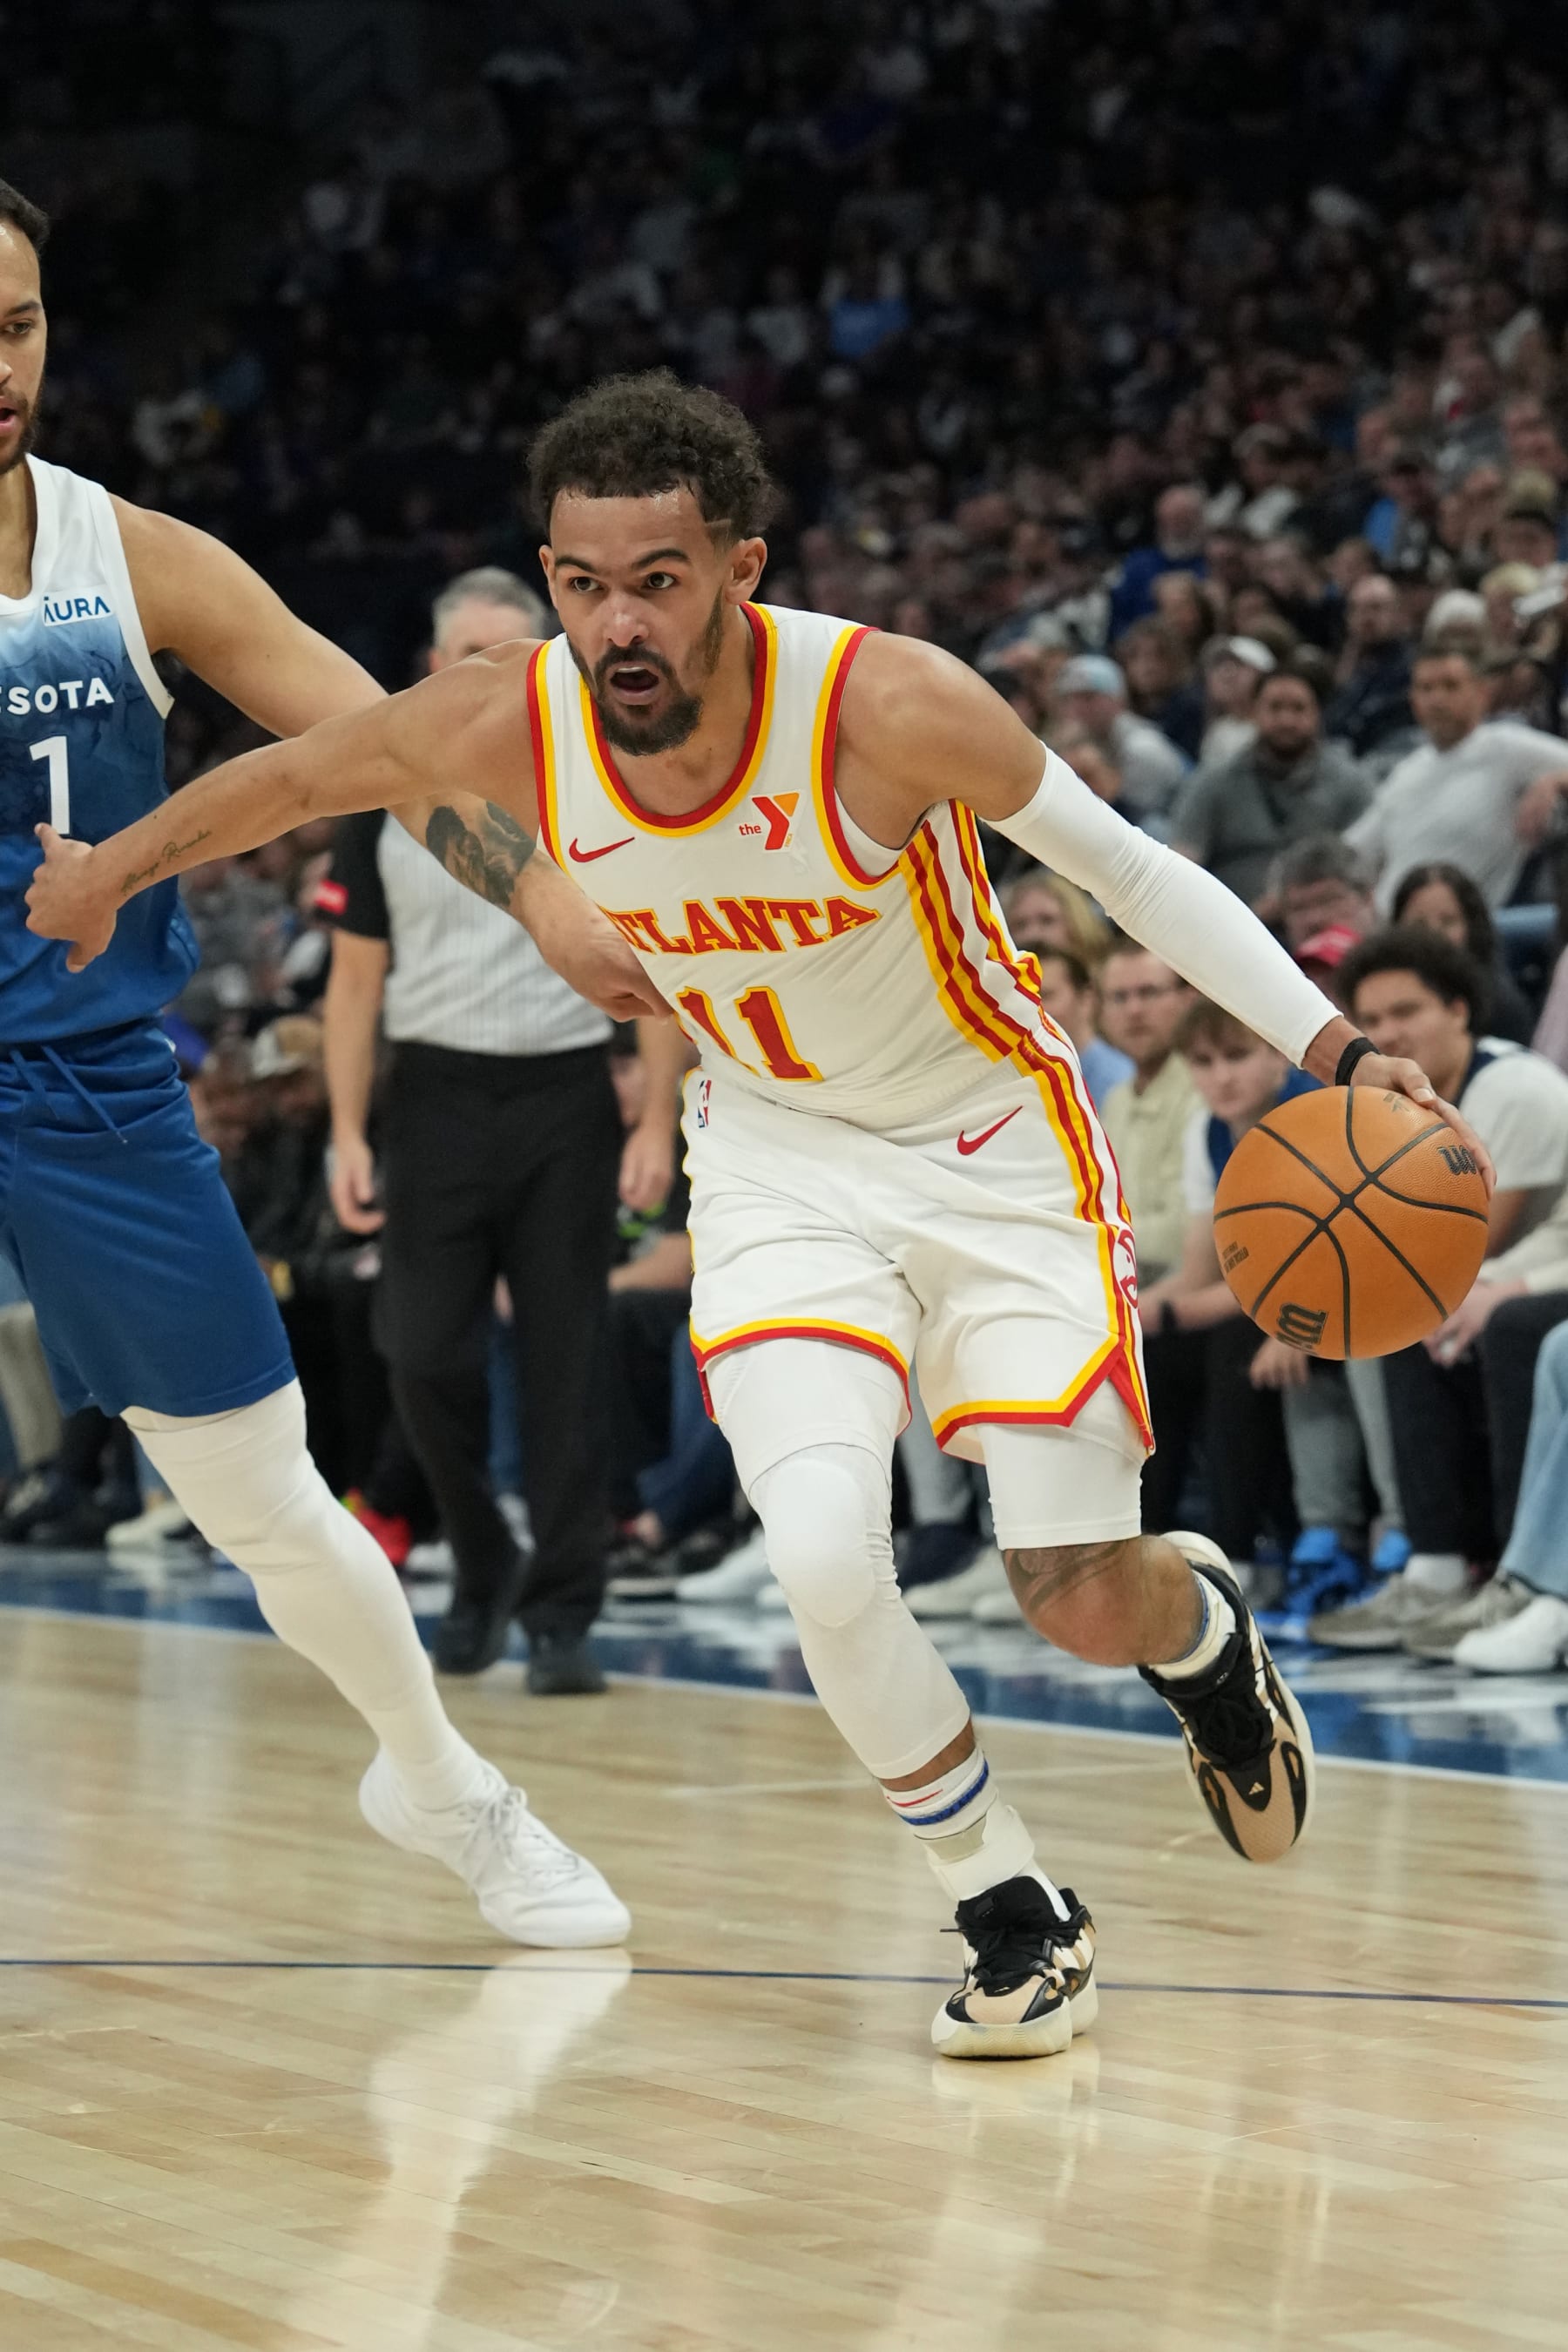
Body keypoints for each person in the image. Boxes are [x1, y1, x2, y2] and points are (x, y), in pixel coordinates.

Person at [33, 370, 1488, 2061]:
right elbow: (300, 781)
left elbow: (1136, 878)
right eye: (583, 582)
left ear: (742, 565)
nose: (618, 620)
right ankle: (1011, 1905)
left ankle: (1203, 1631)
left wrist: (1338, 1050)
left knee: (1074, 1590)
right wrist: (111, 871)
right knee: (819, 1559)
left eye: (657, 578)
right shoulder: (515, 716)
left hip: (995, 1152)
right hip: (783, 1160)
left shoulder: (890, 705)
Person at [0, 176, 638, 1950]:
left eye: (21, 325)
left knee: (261, 1493)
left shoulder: (134, 557)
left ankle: (444, 1785)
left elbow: (390, 754)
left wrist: (546, 905)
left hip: (88, 1087)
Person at [321, 566, 671, 1694]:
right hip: (433, 1097)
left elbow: (663, 963)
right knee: (420, 1352)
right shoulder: (382, 795)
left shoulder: (608, 788)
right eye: (463, 651)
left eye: (506, 651)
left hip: (567, 1095)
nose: (482, 672)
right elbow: (355, 984)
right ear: (429, 665)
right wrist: (346, 1129)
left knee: (568, 1361)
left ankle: (564, 1610)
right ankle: (480, 1556)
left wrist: (654, 1111)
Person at [1310, 927, 1568, 1652]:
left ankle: (1523, 1575)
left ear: (1460, 1009)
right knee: (1404, 1310)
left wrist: (1494, 1285)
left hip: (1530, 1277)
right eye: (1374, 1020)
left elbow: (1472, 1242)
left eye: (1407, 1011)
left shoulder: (1513, 1089)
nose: (1390, 1033)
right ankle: (1436, 1565)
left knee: (1495, 1321)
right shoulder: (1383, 1105)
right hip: (1517, 1274)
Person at [1135, 1000, 1316, 1562]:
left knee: (1234, 1345)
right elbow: (1199, 1269)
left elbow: (1327, 1266)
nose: (1221, 1076)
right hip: (1266, 1304)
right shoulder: (1207, 1131)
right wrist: (1124, 1319)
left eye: (1237, 1056)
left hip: (1331, 1303)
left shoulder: (1316, 1121)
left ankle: (1236, 1556)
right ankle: (1142, 1550)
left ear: (1278, 1057)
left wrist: (1170, 1312)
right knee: (1147, 1352)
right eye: (1204, 1062)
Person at [1346, 646, 1568, 910]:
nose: (1437, 699)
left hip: (1463, 927)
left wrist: (1553, 781)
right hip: (1387, 923)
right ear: (1414, 701)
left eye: (1450, 686)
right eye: (1426, 689)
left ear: (1480, 693)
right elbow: (1354, 853)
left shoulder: (1505, 747)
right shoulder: (1406, 771)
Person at [1170, 663, 1369, 907]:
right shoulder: (1214, 781)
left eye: (1298, 709)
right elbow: (1183, 863)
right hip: (1231, 923)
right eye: (1275, 708)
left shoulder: (1349, 782)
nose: (1286, 720)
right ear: (1254, 712)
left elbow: (1364, 866)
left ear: (1318, 714)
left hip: (1322, 916)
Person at [1096, 942, 1196, 1287]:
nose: (1134, 1010)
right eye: (1119, 998)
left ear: (1188, 999)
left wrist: (1091, 1236)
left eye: (1149, 993)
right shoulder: (1115, 1100)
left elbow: (1183, 1233)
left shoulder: (1208, 1089)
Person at [1390, 861, 1535, 1044]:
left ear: (1472, 927)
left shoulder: (1504, 1008)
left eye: (1448, 922)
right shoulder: (1374, 995)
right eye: (1419, 924)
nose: (1433, 934)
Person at [1052, 652, 1189, 821]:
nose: (1076, 707)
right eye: (1069, 699)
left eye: (1088, 698)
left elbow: (1131, 820)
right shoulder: (1083, 740)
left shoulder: (1141, 747)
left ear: (1118, 699)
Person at [1322, 572, 1416, 762]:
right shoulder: (1346, 669)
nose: (1366, 618)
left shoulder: (1412, 668)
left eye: (1376, 608)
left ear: (1398, 613)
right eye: (1357, 609)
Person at [1030, 946, 1133, 1107]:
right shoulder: (1026, 1080)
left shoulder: (1120, 1080)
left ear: (1086, 1000)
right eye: (1028, 997)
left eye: (1046, 995)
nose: (1035, 1007)